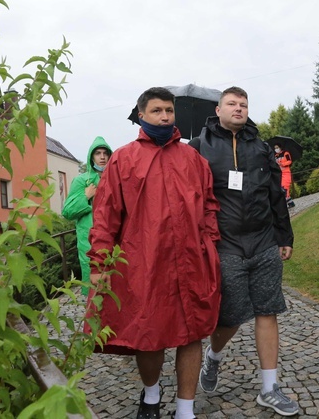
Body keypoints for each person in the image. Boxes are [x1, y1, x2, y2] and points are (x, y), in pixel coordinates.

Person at [87, 87, 222, 419]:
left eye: (169, 111)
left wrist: (208, 244)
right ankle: (151, 393)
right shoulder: (123, 159)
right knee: (149, 335)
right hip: (143, 264)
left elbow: (208, 206)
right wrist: (100, 262)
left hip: (191, 261)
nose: (165, 117)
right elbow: (105, 215)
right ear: (142, 115)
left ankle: (186, 409)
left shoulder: (193, 159)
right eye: (158, 111)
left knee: (191, 333)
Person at [190, 86, 299, 416]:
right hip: (225, 244)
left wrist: (285, 236)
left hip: (263, 239)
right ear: (219, 110)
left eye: (244, 104)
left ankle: (269, 388)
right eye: (232, 104)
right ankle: (214, 356)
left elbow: (275, 195)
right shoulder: (199, 147)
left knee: (267, 309)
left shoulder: (261, 147)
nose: (239, 108)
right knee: (233, 315)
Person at [61, 136, 112, 296]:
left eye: (105, 153)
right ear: (92, 156)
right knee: (93, 288)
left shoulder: (115, 177)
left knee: (115, 282)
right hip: (89, 241)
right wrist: (86, 196)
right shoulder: (82, 180)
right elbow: (67, 211)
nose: (102, 157)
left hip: (114, 238)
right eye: (98, 153)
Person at [273, 143, 295, 207]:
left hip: (286, 172)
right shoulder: (276, 156)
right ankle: (290, 203)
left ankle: (283, 204)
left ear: (280, 147)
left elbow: (289, 161)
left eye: (277, 147)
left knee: (285, 187)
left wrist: (282, 163)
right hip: (279, 173)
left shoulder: (286, 153)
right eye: (275, 148)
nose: (276, 149)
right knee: (281, 188)